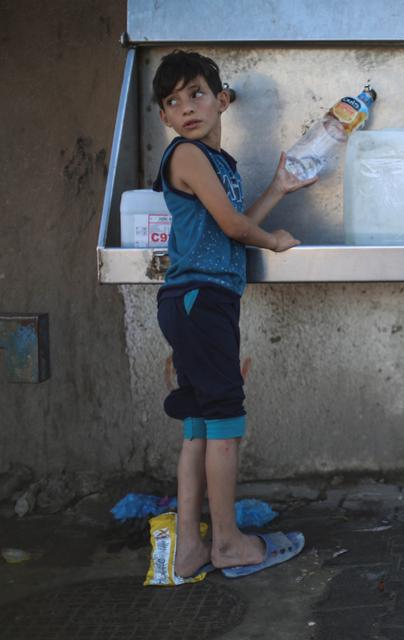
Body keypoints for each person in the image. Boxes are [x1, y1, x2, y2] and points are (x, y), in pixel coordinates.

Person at [152, 50, 316, 580]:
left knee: (200, 426)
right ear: (164, 117)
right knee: (224, 422)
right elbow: (235, 229)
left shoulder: (217, 163)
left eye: (196, 94)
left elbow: (230, 220)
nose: (187, 108)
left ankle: (191, 550)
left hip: (198, 302)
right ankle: (225, 543)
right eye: (173, 101)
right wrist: (274, 240)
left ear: (222, 100)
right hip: (201, 301)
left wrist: (277, 190)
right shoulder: (187, 156)